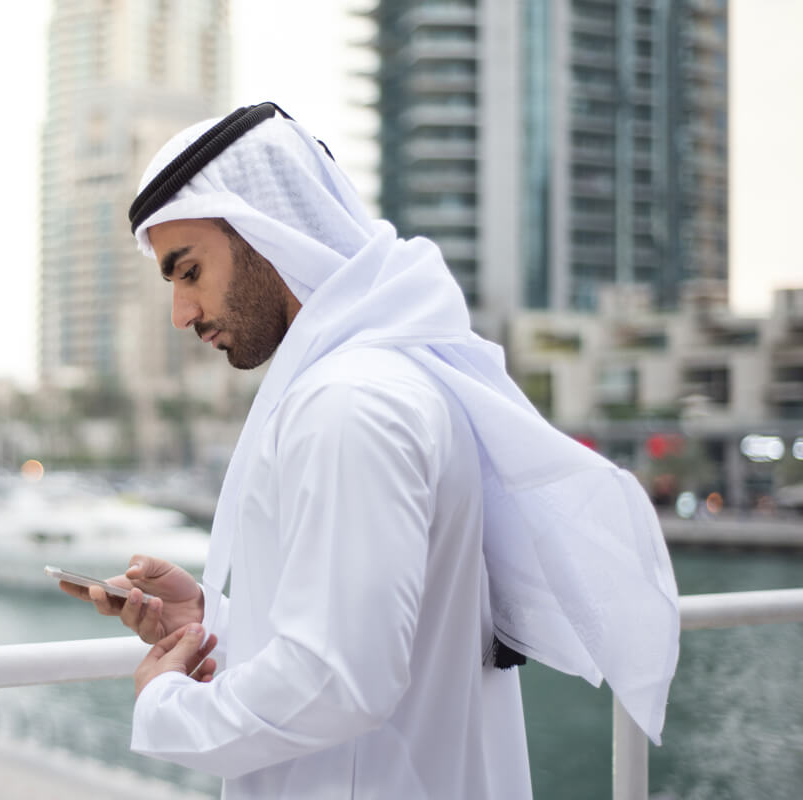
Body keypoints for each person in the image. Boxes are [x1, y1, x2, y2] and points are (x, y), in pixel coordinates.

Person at [59, 103, 680, 798]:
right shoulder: (383, 381)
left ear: (266, 235)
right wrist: (209, 623)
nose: (181, 313)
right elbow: (376, 633)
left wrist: (168, 708)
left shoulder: (350, 406)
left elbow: (340, 678)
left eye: (189, 270)